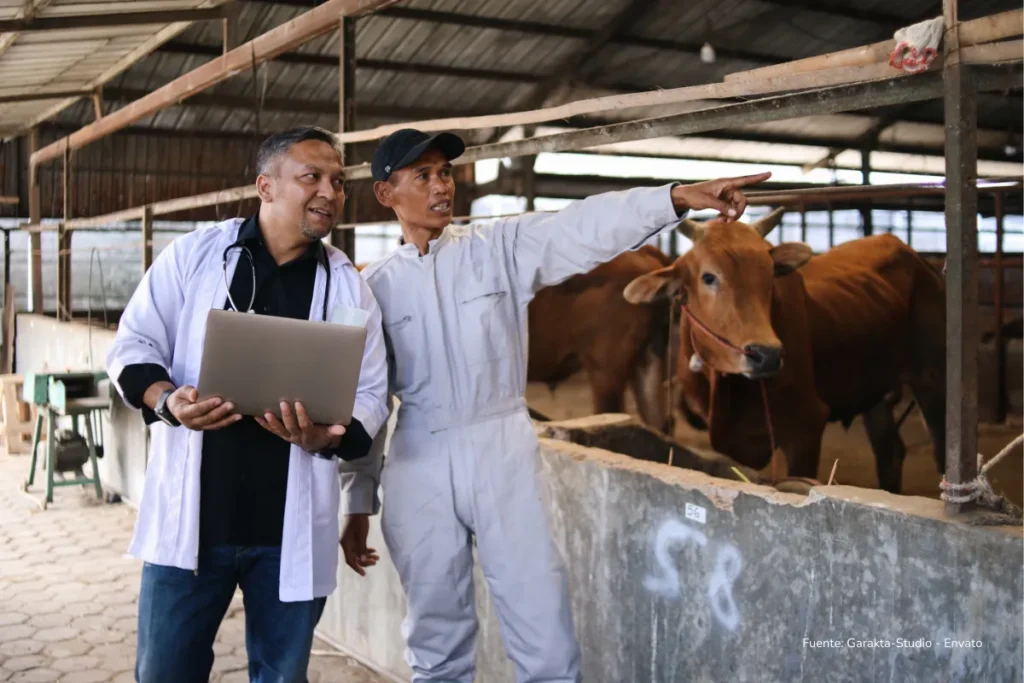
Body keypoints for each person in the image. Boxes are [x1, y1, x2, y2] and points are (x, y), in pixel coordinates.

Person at [338, 127, 771, 682]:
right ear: (385, 194)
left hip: (502, 448)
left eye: (444, 173)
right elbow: (368, 401)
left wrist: (676, 197)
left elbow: (583, 225)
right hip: (417, 455)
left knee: (541, 620)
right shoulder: (373, 287)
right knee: (433, 633)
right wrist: (358, 497)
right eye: (422, 175)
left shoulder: (497, 249)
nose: (441, 186)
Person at [106, 126, 389, 683]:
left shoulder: (348, 287)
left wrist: (325, 435)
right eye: (312, 177)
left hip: (287, 532)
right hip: (193, 521)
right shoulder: (198, 256)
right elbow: (134, 343)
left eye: (337, 181)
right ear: (266, 186)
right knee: (163, 672)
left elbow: (372, 393)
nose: (330, 192)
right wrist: (167, 401)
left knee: (281, 676)